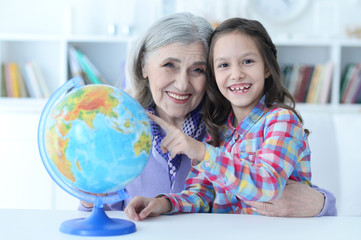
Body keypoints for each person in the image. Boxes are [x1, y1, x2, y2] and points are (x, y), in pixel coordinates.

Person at [80, 12, 336, 217]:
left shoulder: (224, 127)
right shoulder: (121, 128)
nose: (182, 84)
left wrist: (322, 203)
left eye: (198, 70)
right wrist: (163, 204)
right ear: (144, 66)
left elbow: (270, 186)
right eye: (169, 65)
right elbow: (203, 194)